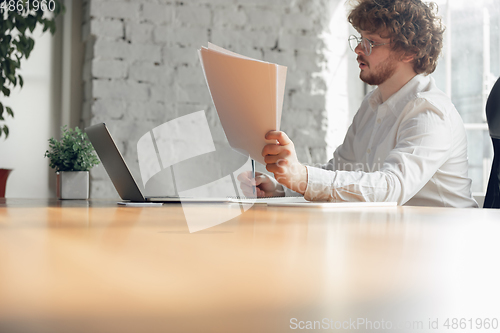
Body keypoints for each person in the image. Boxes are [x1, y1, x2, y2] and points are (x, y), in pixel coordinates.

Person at [239, 0, 478, 207]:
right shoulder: (373, 103)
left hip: (441, 246)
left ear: (409, 52)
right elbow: (342, 171)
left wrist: (302, 176)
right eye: (360, 39)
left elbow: (392, 187)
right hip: (396, 238)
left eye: (371, 43)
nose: (358, 49)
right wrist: (281, 187)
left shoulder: (430, 112)